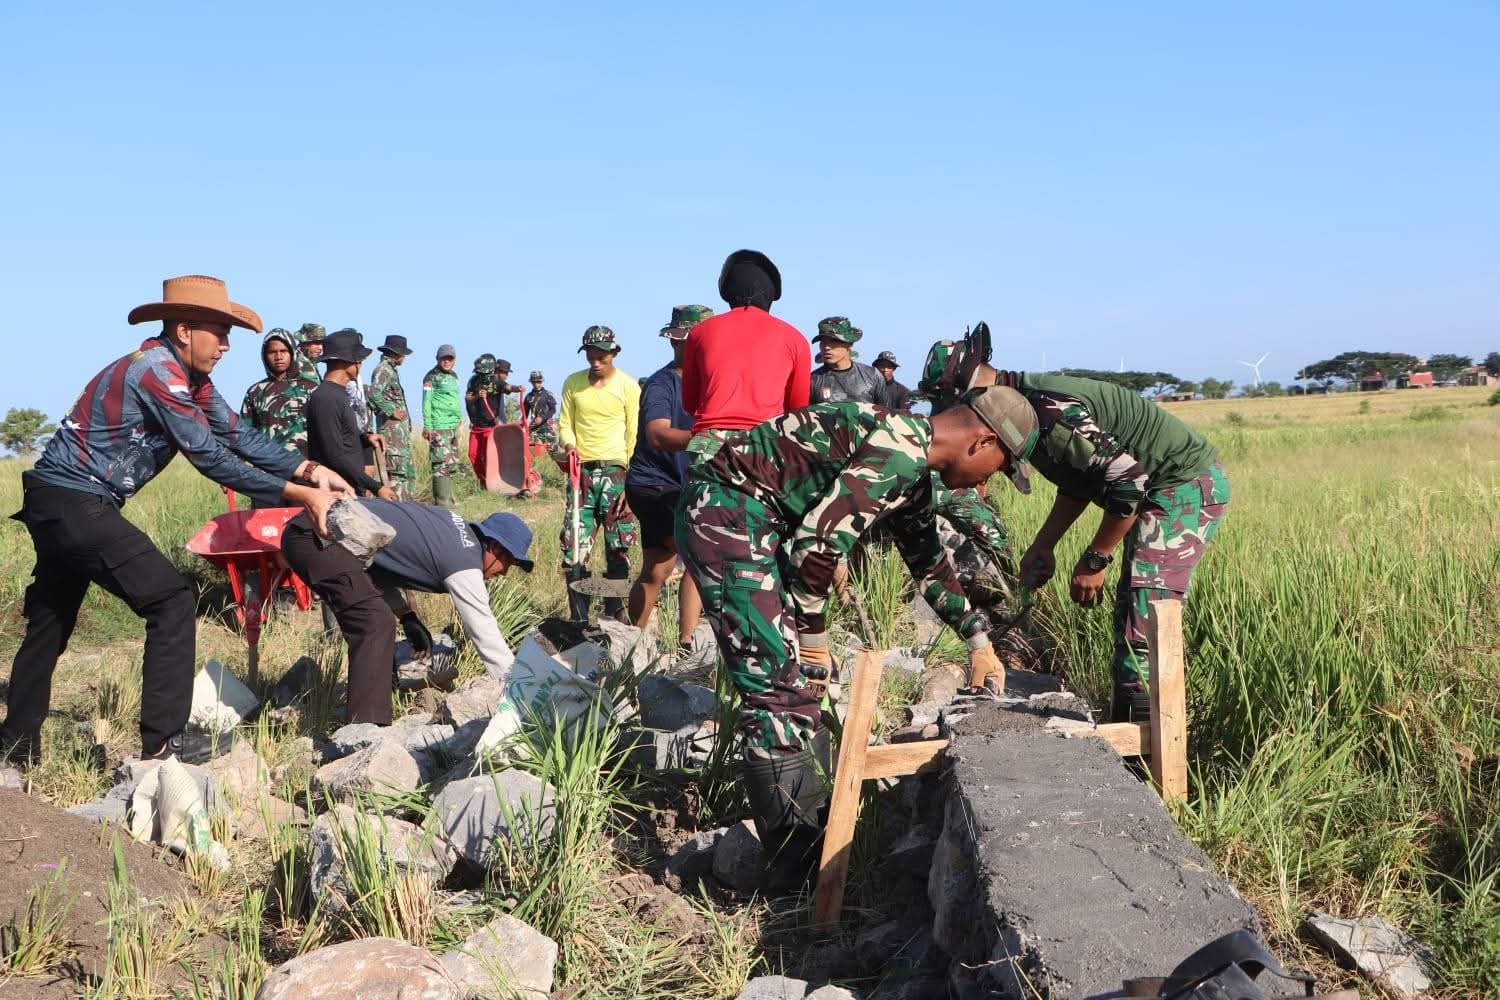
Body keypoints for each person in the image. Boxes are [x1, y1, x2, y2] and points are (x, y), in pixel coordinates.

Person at [676, 390, 1031, 888]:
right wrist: (814, 634)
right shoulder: (899, 453)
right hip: (726, 517)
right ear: (983, 442)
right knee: (779, 690)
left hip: (757, 522)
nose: (989, 480)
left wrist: (978, 639)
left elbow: (928, 561)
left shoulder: (911, 463)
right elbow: (816, 548)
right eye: (998, 467)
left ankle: (816, 836)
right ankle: (794, 873)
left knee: (803, 688)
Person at [1, 275, 348, 765]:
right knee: (170, 600)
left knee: (52, 620)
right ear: (184, 330)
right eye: (219, 333)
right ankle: (163, 744)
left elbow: (237, 436)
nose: (226, 346)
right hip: (73, 500)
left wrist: (312, 470)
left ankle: (14, 748)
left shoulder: (191, 381)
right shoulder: (156, 373)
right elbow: (209, 457)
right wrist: (301, 495)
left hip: (63, 501)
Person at [917, 328, 1231, 722]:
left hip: (1180, 484)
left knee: (1146, 608)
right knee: (1130, 612)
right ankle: (1131, 731)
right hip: (1149, 489)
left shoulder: (1046, 409)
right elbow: (1078, 483)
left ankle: (1154, 741)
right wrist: (1044, 544)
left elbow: (1128, 481)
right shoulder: (1018, 411)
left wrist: (1094, 560)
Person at [282, 506, 535, 725]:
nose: (504, 574)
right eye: (508, 564)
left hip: (317, 531)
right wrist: (522, 690)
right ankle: (365, 730)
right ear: (494, 547)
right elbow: (484, 632)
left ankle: (378, 703)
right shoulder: (464, 561)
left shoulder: (452, 532)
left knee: (376, 617)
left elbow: (374, 563)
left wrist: (406, 615)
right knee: (374, 623)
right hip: (315, 537)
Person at [625, 305, 711, 649]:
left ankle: (630, 640)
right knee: (697, 556)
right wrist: (706, 440)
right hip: (657, 484)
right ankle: (685, 643)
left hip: (680, 482)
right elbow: (658, 434)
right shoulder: (662, 384)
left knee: (658, 570)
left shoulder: (711, 382)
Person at [680, 249, 809, 462]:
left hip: (709, 444)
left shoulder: (699, 332)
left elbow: (690, 403)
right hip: (765, 442)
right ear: (770, 294)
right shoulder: (795, 339)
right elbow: (797, 410)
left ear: (728, 292)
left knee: (703, 495)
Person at [558, 326, 640, 623]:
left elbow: (635, 434)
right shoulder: (573, 383)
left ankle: (614, 616)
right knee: (574, 547)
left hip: (617, 474)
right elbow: (565, 423)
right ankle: (579, 618)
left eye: (601, 354)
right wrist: (569, 444)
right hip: (582, 474)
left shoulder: (628, 386)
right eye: (591, 354)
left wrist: (632, 481)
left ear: (613, 353)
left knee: (618, 547)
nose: (595, 360)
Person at [306, 329, 396, 500]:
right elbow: (335, 456)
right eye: (359, 360)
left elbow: (343, 438)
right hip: (335, 495)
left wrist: (365, 439)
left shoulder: (339, 395)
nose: (361, 365)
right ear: (349, 361)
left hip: (350, 490)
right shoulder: (326, 398)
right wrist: (376, 487)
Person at [240, 327, 319, 457]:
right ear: (264, 355)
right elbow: (245, 434)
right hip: (268, 468)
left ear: (292, 353)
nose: (278, 357)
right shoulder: (255, 391)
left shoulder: (312, 388)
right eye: (272, 352)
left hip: (305, 467)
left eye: (283, 351)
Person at [367, 335, 417, 500]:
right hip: (391, 432)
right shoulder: (384, 370)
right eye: (402, 354)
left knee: (404, 472)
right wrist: (391, 410)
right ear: (396, 353)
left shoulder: (390, 370)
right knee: (396, 473)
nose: (404, 358)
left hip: (399, 433)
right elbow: (373, 393)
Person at [810, 317, 890, 406]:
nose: (826, 347)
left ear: (849, 343)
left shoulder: (872, 375)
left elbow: (886, 415)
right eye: (823, 342)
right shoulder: (812, 380)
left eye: (833, 341)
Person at [422, 344, 463, 507]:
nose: (446, 361)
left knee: (451, 464)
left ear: (455, 360)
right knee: (440, 464)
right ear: (437, 359)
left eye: (450, 358)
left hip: (453, 427)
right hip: (439, 426)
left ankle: (449, 501)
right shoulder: (431, 377)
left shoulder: (454, 376)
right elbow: (427, 402)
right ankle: (442, 504)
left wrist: (459, 420)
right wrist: (427, 426)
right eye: (443, 358)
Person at [524, 370, 558, 451]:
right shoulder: (528, 397)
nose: (536, 384)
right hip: (535, 429)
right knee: (537, 451)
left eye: (538, 381)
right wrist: (523, 426)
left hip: (548, 427)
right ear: (531, 382)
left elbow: (553, 410)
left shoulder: (548, 394)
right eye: (534, 382)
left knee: (553, 452)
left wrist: (542, 418)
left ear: (541, 381)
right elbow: (525, 413)